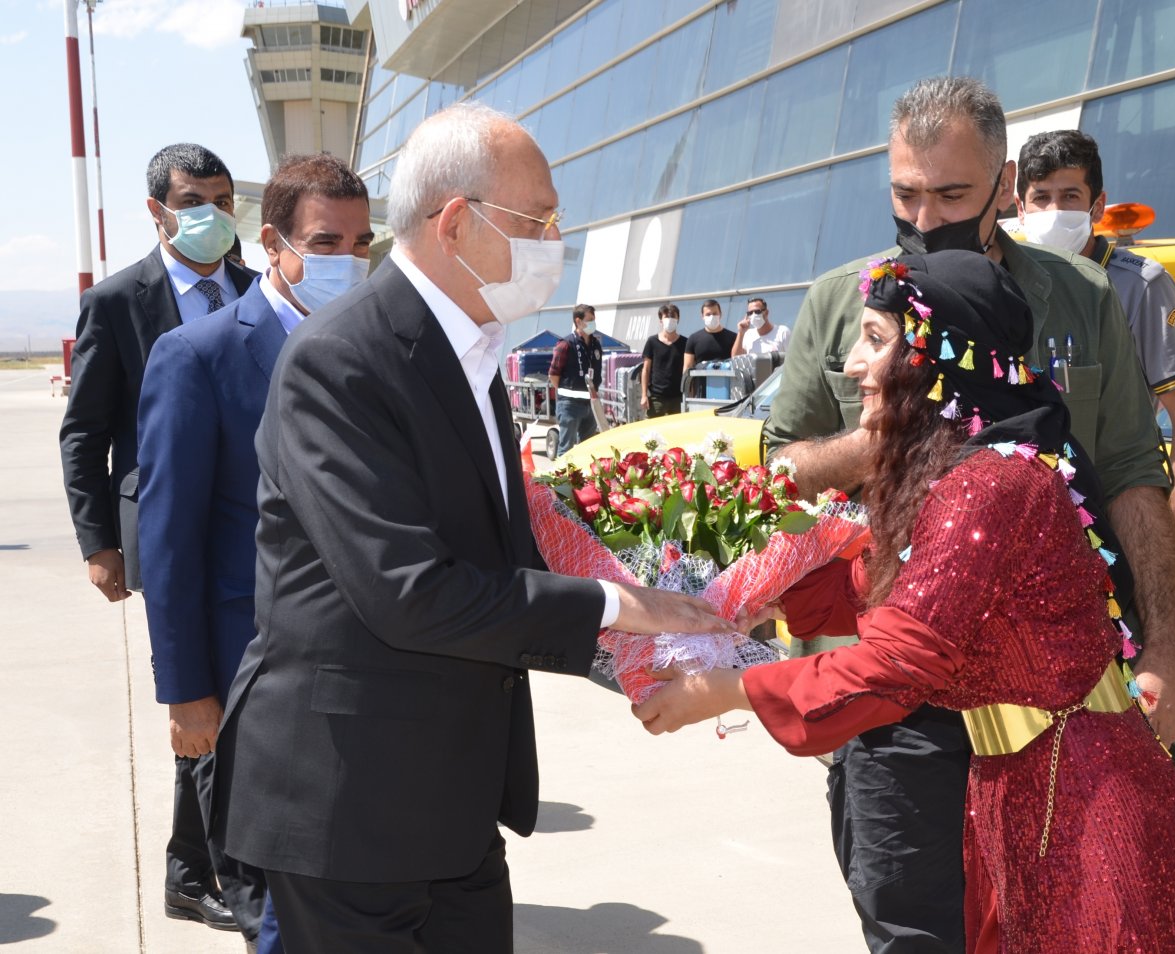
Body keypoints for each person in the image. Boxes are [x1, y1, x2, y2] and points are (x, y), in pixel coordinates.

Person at [210, 103, 730, 954]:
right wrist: (618, 608)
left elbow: (501, 553)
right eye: (540, 219)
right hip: (350, 803)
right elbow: (409, 591)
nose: (555, 239)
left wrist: (667, 636)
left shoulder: (473, 358)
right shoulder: (341, 361)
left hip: (449, 797)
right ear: (456, 223)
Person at [636, 251, 1175, 953]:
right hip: (1036, 794)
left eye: (876, 341)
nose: (852, 365)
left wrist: (726, 689)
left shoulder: (990, 488)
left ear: (939, 359)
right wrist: (735, 592)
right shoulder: (960, 476)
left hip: (1094, 816)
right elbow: (869, 590)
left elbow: (897, 661)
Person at [761, 76, 1175, 952]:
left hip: (1061, 709)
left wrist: (1169, 644)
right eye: (903, 193)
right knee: (912, 926)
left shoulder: (1077, 296)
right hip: (896, 697)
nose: (923, 218)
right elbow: (781, 470)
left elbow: (1132, 475)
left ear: (1003, 184)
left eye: (951, 194)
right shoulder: (851, 297)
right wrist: (902, 440)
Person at [137, 152, 374, 952]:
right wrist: (187, 693)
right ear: (271, 241)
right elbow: (170, 539)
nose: (348, 261)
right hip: (248, 681)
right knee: (272, 910)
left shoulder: (374, 349)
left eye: (361, 242)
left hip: (363, 678)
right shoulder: (198, 356)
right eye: (327, 242)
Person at [58, 142, 256, 933]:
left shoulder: (253, 288)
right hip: (168, 532)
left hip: (245, 531)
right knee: (195, 691)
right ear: (157, 210)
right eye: (192, 199)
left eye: (220, 197)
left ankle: (198, 864)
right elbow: (85, 431)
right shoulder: (118, 301)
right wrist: (98, 541)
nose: (209, 213)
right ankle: (194, 869)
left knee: (231, 699)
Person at [1015, 129, 1175, 573]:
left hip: (1115, 515)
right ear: (1020, 208)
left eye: (1069, 196)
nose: (1054, 211)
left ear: (1097, 205)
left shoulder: (1140, 284)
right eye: (1041, 197)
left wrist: (1168, 553)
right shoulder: (1004, 283)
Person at [548, 303, 603, 455]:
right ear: (578, 321)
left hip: (590, 404)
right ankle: (563, 478)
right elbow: (553, 374)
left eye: (594, 319)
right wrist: (567, 392)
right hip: (569, 404)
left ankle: (583, 479)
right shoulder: (566, 344)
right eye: (589, 319)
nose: (593, 323)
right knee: (566, 449)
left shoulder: (596, 344)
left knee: (588, 449)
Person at [640, 303, 686, 418]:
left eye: (673, 317)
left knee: (677, 430)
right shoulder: (652, 342)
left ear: (678, 319)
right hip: (657, 396)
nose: (670, 320)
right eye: (667, 317)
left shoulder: (685, 343)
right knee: (654, 431)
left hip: (678, 397)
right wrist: (644, 395)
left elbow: (690, 368)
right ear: (661, 320)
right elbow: (646, 369)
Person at [682, 298, 736, 372]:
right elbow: (687, 367)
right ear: (702, 316)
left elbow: (738, 365)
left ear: (720, 314)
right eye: (708, 314)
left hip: (726, 382)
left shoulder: (733, 337)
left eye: (715, 314)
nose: (711, 317)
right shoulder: (693, 339)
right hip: (701, 382)